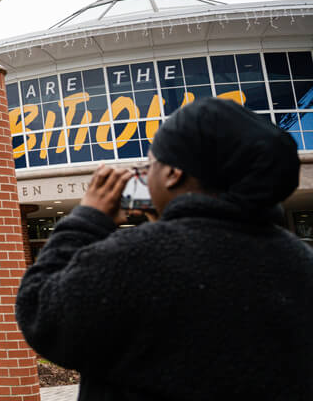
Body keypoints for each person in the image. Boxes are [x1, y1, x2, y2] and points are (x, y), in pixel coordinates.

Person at [17, 98, 313, 400]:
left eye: (149, 165)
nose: (144, 174)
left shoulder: (137, 257)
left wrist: (86, 219)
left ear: (172, 172)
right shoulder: (299, 258)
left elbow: (40, 314)